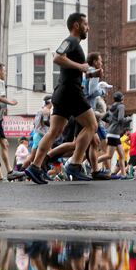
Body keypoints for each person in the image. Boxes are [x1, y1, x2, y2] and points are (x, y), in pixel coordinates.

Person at [24, 13, 98, 183]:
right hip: (71, 91)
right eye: (86, 24)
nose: (88, 27)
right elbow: (58, 57)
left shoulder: (74, 43)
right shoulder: (71, 41)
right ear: (76, 25)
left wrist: (84, 71)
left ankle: (35, 167)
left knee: (54, 132)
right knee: (92, 125)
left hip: (62, 91)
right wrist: (81, 66)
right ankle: (75, 164)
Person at [0, 63, 18, 175]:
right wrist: (12, 102)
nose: (5, 73)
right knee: (0, 145)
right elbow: (1, 97)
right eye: (4, 71)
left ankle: (3, 174)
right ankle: (10, 171)